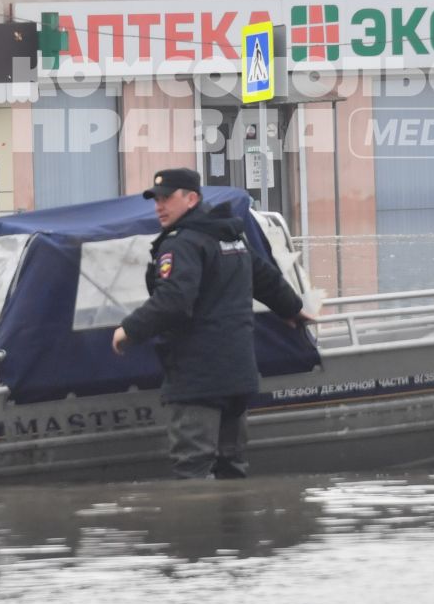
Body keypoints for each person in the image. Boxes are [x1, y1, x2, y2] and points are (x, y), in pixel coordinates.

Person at [111, 168, 312, 479]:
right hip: (237, 374)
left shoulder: (181, 243)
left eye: (167, 198)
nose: (159, 206)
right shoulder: (230, 235)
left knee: (192, 468)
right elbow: (265, 278)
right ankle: (234, 525)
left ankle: (200, 527)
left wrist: (129, 330)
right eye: (156, 199)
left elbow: (175, 299)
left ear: (192, 199)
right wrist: (294, 309)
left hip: (197, 378)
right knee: (232, 466)